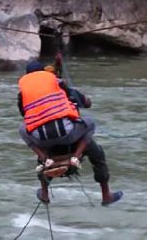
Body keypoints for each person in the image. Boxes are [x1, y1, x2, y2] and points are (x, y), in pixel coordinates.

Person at [17, 60, 123, 205]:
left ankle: (44, 192)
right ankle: (105, 194)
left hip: (44, 140)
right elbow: (87, 103)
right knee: (97, 154)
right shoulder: (61, 86)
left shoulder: (24, 94)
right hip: (71, 136)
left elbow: (25, 116)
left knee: (35, 147)